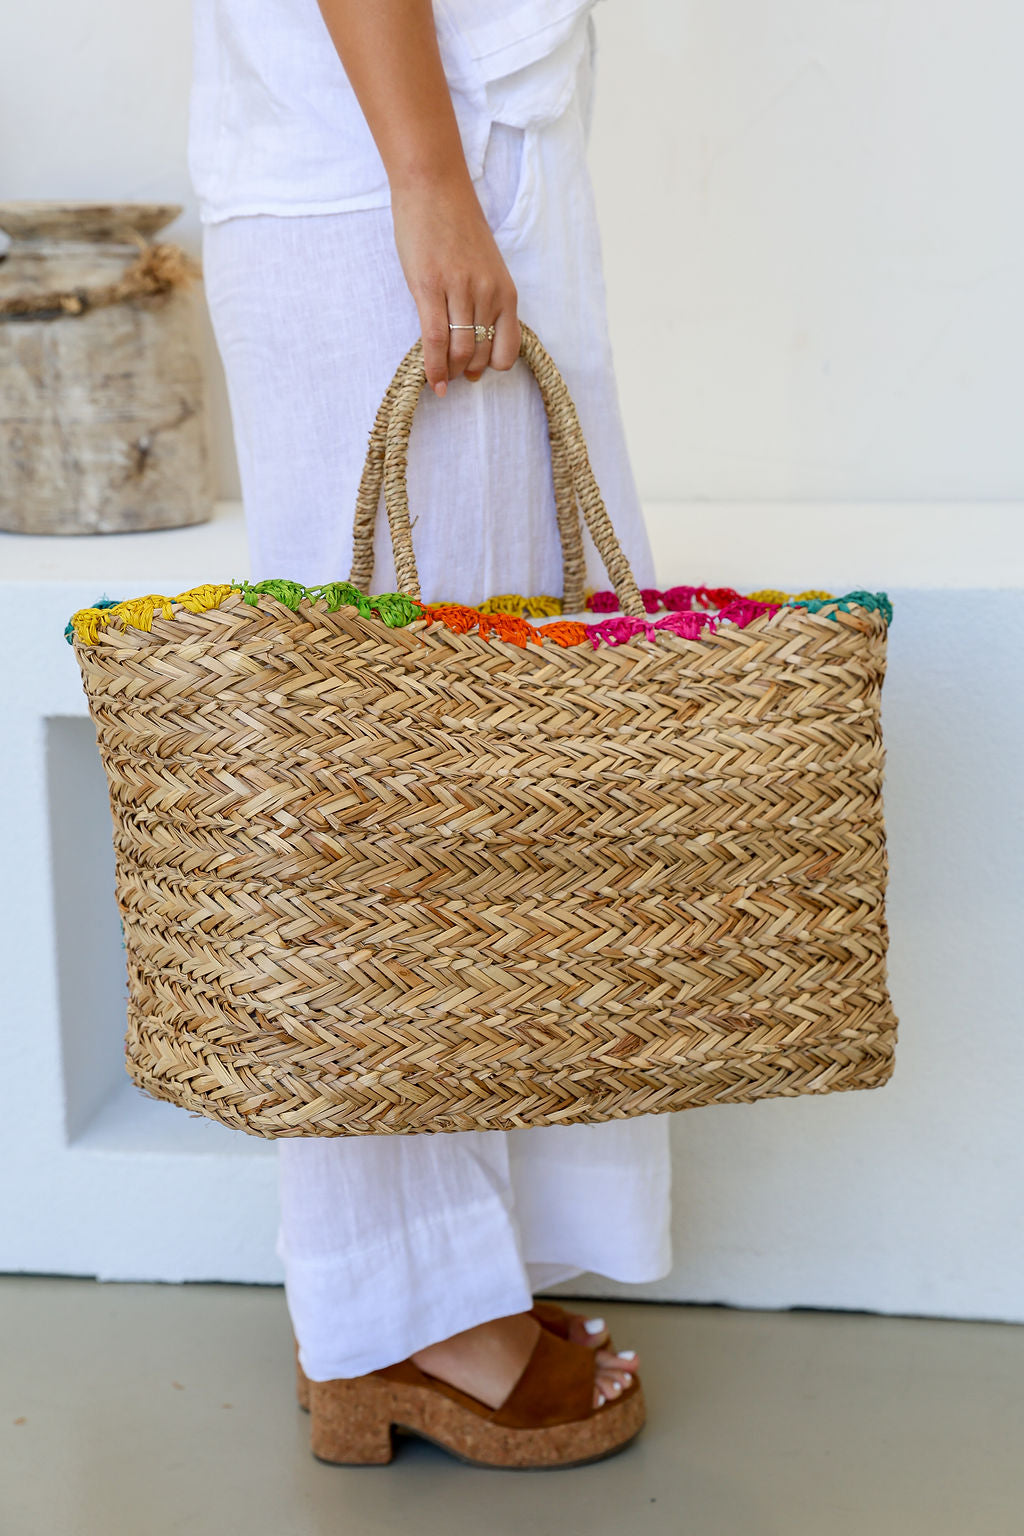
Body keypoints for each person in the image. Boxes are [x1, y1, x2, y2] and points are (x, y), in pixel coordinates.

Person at [189, 0, 672, 1467]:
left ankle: (427, 1285)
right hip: (388, 169)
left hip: (440, 146)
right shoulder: (415, 180)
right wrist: (429, 174)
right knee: (403, 793)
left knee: (463, 770)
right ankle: (405, 1318)